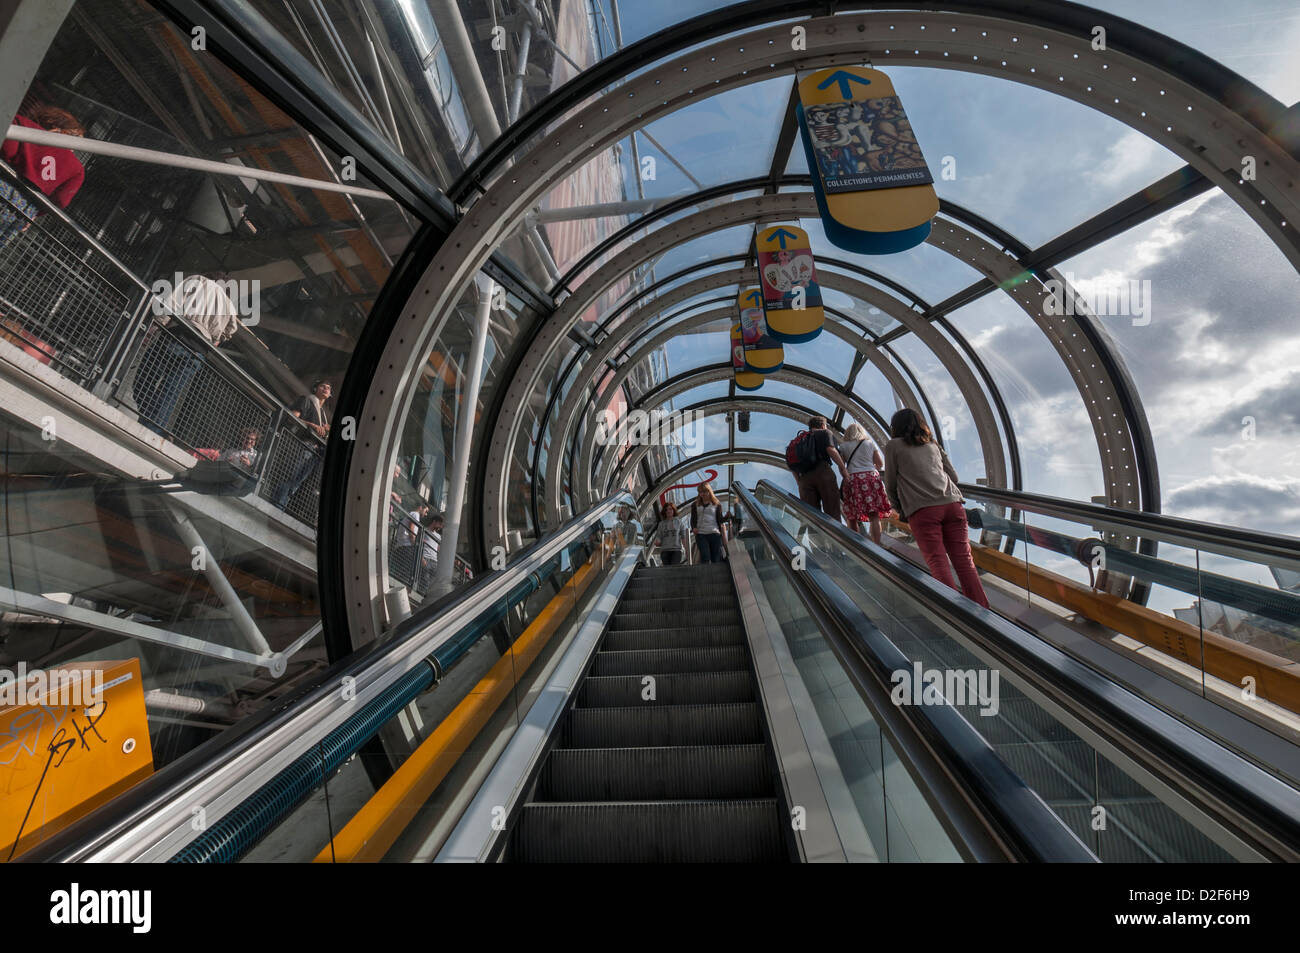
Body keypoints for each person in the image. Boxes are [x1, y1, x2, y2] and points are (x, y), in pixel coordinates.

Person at [883, 408, 989, 609]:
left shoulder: (893, 446)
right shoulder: (932, 444)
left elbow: (890, 483)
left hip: (922, 510)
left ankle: (954, 614)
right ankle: (983, 613)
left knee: (938, 562)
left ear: (895, 427)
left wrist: (900, 509)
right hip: (952, 504)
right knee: (965, 562)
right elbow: (954, 477)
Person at [132, 273, 242, 438]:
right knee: (170, 394)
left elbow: (172, 301)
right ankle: (152, 431)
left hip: (176, 336)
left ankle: (148, 420)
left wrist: (158, 323)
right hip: (199, 349)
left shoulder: (198, 280)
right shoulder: (229, 306)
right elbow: (231, 330)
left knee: (143, 379)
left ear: (213, 278)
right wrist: (217, 338)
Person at [1, 105, 85, 248]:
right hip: (25, 208)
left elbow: (8, 149)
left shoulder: (24, 125)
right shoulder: (77, 169)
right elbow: (60, 200)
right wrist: (35, 213)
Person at [274, 379, 331, 509]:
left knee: (296, 483)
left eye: (328, 387)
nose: (326, 389)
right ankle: (277, 504)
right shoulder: (306, 400)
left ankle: (282, 505)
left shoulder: (322, 413)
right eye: (323, 386)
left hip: (314, 452)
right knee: (290, 476)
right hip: (303, 446)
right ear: (315, 388)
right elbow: (293, 417)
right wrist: (313, 426)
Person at [790, 416, 849, 520]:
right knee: (832, 511)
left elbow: (792, 464)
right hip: (823, 473)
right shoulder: (824, 433)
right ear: (823, 425)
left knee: (812, 516)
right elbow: (831, 450)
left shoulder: (797, 441)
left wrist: (799, 482)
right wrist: (843, 469)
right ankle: (834, 535)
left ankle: (816, 536)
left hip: (804, 478)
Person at [838, 422, 888, 544]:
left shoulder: (843, 446)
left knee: (852, 515)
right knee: (874, 516)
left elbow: (842, 466)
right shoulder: (869, 444)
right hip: (871, 478)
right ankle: (877, 544)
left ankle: (857, 545)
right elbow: (880, 464)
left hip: (853, 479)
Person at [690, 483, 727, 564]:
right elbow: (692, 519)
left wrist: (727, 517)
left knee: (716, 558)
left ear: (709, 491)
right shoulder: (695, 504)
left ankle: (716, 575)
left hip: (714, 533)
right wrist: (694, 528)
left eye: (704, 491)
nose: (702, 494)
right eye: (700, 492)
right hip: (701, 534)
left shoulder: (716, 504)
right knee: (705, 556)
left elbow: (720, 519)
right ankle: (706, 575)